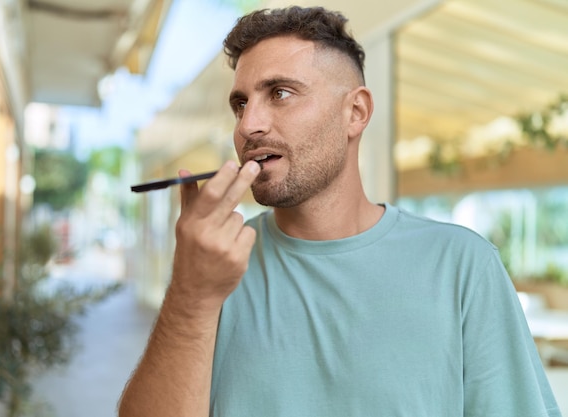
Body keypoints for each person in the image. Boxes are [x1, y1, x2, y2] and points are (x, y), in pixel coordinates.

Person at [118, 6, 562, 417]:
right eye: (240, 103)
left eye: (280, 93)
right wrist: (191, 297)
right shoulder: (216, 268)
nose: (248, 125)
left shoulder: (461, 265)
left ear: (356, 112)